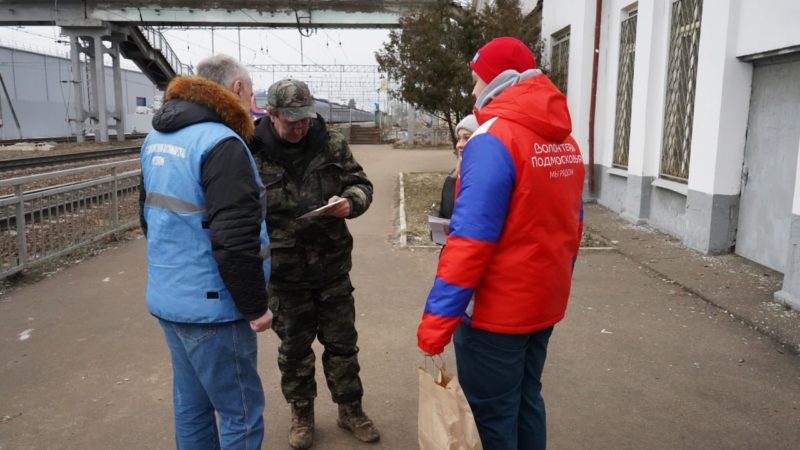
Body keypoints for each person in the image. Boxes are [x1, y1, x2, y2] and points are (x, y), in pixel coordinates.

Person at [417, 37, 585, 450]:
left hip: (494, 315)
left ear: (498, 81)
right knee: (527, 400)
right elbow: (572, 227)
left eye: (477, 81)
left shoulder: (493, 140)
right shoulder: (564, 141)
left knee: (492, 416)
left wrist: (435, 325)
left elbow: (469, 243)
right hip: (542, 305)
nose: (474, 91)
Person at [139, 54, 273, 450]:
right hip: (215, 309)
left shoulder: (156, 139)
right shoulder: (222, 144)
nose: (252, 103)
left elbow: (148, 219)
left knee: (192, 407)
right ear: (236, 90)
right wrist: (255, 306)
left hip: (170, 299)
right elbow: (234, 241)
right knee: (241, 413)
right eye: (250, 93)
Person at [249, 78, 379, 449]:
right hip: (285, 275)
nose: (300, 126)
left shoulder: (331, 143)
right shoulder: (252, 152)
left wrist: (350, 203)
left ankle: (350, 409)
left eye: (305, 118)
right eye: (291, 120)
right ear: (271, 114)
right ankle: (302, 413)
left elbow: (361, 184)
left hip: (332, 267)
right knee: (293, 350)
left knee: (342, 344)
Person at [438, 114, 478, 220]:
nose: (459, 145)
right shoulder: (451, 179)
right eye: (459, 139)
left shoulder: (489, 182)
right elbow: (443, 214)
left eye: (467, 138)